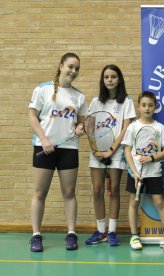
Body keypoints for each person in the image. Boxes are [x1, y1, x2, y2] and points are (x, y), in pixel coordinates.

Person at [28, 53, 87, 252]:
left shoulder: (79, 96)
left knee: (69, 193)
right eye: (70, 66)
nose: (73, 71)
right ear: (61, 66)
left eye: (77, 68)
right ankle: (36, 235)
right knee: (39, 192)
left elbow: (80, 122)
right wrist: (44, 139)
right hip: (44, 147)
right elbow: (32, 116)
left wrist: (80, 128)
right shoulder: (43, 89)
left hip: (68, 149)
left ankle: (71, 233)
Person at [85, 64, 136, 246]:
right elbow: (89, 127)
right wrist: (95, 149)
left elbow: (127, 127)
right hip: (97, 152)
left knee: (114, 190)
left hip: (116, 152)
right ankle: (101, 232)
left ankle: (112, 231)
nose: (109, 80)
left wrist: (111, 150)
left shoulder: (126, 102)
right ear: (102, 80)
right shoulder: (95, 102)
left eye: (113, 77)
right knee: (97, 190)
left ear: (119, 79)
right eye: (106, 77)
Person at [122, 91, 164, 251]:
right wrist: (135, 172)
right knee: (134, 203)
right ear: (139, 106)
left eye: (150, 105)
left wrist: (152, 158)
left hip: (154, 173)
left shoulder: (159, 127)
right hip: (136, 174)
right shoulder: (133, 127)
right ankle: (134, 236)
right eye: (144, 105)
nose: (147, 108)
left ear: (155, 107)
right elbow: (127, 151)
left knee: (159, 203)